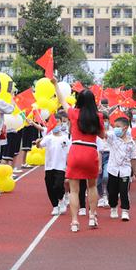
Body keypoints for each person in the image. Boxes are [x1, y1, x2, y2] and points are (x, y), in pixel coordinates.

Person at [54, 78, 105, 233]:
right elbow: (102, 135)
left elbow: (62, 100)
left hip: (76, 151)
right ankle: (92, 216)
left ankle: (75, 221)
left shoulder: (74, 113)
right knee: (91, 186)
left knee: (74, 190)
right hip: (91, 152)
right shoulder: (99, 116)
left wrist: (55, 84)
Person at [106, 116, 136, 221]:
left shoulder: (131, 143)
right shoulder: (112, 138)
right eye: (114, 126)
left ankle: (125, 211)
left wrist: (135, 171)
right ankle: (113, 207)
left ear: (125, 128)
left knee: (124, 191)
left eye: (118, 126)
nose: (115, 128)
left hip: (125, 170)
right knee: (112, 191)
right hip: (113, 169)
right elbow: (103, 134)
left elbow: (133, 158)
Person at [38, 111, 71, 216]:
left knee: (58, 186)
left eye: (58, 122)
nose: (56, 124)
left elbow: (69, 153)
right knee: (50, 186)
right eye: (54, 122)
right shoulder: (48, 137)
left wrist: (68, 167)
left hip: (61, 167)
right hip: (49, 167)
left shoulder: (65, 138)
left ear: (61, 123)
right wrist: (38, 142)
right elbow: (40, 145)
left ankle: (61, 199)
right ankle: (55, 206)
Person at [96, 113, 111, 208]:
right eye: (102, 121)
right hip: (97, 155)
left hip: (109, 155)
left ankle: (106, 195)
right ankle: (101, 196)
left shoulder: (112, 132)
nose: (104, 122)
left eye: (106, 120)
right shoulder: (96, 132)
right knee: (98, 179)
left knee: (106, 176)